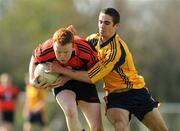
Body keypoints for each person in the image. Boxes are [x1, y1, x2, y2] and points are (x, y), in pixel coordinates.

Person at [46, 8, 168, 131]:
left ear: (116, 26)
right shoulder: (92, 40)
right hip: (115, 97)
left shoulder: (115, 51)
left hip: (136, 92)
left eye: (107, 23)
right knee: (120, 124)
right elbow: (77, 53)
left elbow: (90, 77)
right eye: (100, 22)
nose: (102, 26)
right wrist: (68, 36)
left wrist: (61, 71)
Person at [29, 28, 104, 131]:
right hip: (61, 83)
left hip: (84, 80)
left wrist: (64, 72)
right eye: (58, 52)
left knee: (97, 128)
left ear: (73, 46)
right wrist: (31, 80)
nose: (62, 56)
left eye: (66, 52)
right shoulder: (46, 49)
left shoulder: (86, 51)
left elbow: (92, 76)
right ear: (53, 46)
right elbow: (34, 57)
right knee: (70, 111)